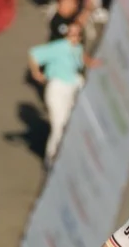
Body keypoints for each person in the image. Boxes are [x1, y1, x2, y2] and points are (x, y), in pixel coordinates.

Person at [28, 22, 99, 168]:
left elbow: (82, 57)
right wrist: (36, 72)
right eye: (70, 33)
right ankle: (51, 158)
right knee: (59, 124)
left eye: (76, 34)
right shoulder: (59, 47)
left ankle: (66, 156)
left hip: (72, 89)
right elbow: (34, 54)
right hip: (58, 88)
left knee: (70, 123)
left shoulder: (77, 48)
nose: (72, 37)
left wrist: (92, 62)